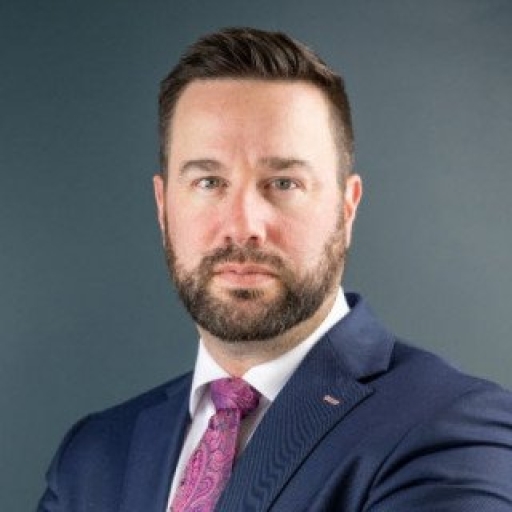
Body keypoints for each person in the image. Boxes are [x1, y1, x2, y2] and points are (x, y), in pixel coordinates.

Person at [37, 27, 512, 512]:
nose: (242, 226)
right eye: (208, 182)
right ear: (163, 206)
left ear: (347, 206)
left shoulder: (451, 428)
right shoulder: (93, 457)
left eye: (283, 183)